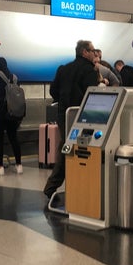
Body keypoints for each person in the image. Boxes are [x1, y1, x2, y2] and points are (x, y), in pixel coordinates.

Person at [43, 40, 98, 199]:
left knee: (67, 145)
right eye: (92, 51)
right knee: (82, 148)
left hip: (64, 114)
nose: (94, 54)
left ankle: (56, 185)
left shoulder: (64, 68)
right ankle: (72, 184)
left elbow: (53, 90)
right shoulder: (89, 71)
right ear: (84, 52)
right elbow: (91, 95)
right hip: (83, 115)